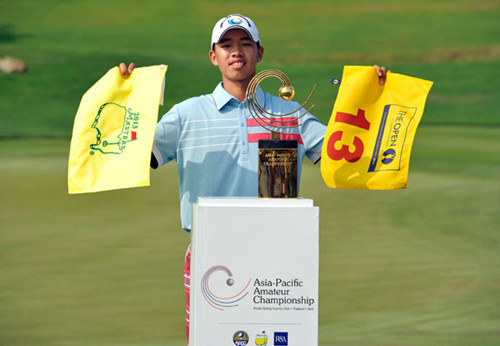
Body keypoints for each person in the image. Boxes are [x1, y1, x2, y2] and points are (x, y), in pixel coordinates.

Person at [120, 13, 390, 343]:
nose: (237, 51)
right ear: (213, 56)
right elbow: (132, 154)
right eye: (227, 45)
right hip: (211, 252)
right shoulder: (187, 114)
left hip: (278, 253)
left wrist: (372, 96)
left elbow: (343, 151)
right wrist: (127, 98)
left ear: (259, 54)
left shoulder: (289, 114)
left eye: (245, 44)